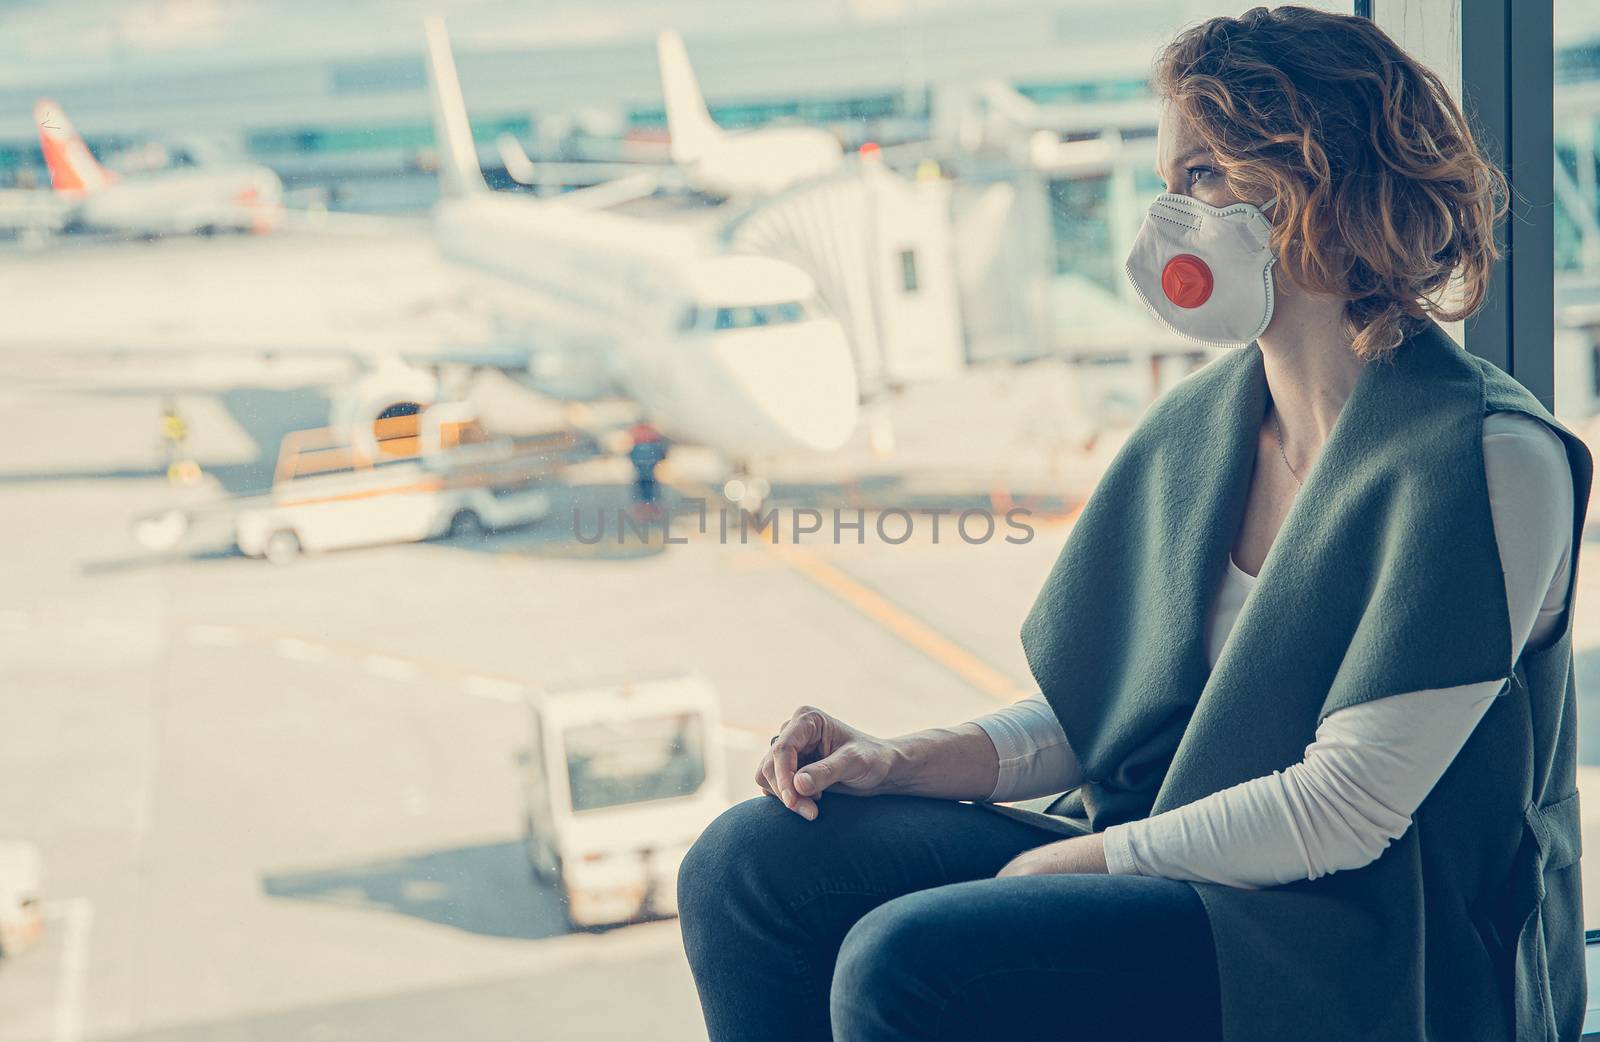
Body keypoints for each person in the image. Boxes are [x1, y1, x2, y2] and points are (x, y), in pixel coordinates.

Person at [675, 8, 1593, 1042]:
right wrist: (900, 757)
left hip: (1362, 934)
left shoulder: (1486, 461)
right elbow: (1103, 712)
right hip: (1174, 860)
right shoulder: (1197, 429)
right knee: (749, 865)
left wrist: (1084, 859)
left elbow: (1345, 810)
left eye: (1200, 176)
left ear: (1319, 187)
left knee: (909, 964)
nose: (1167, 216)